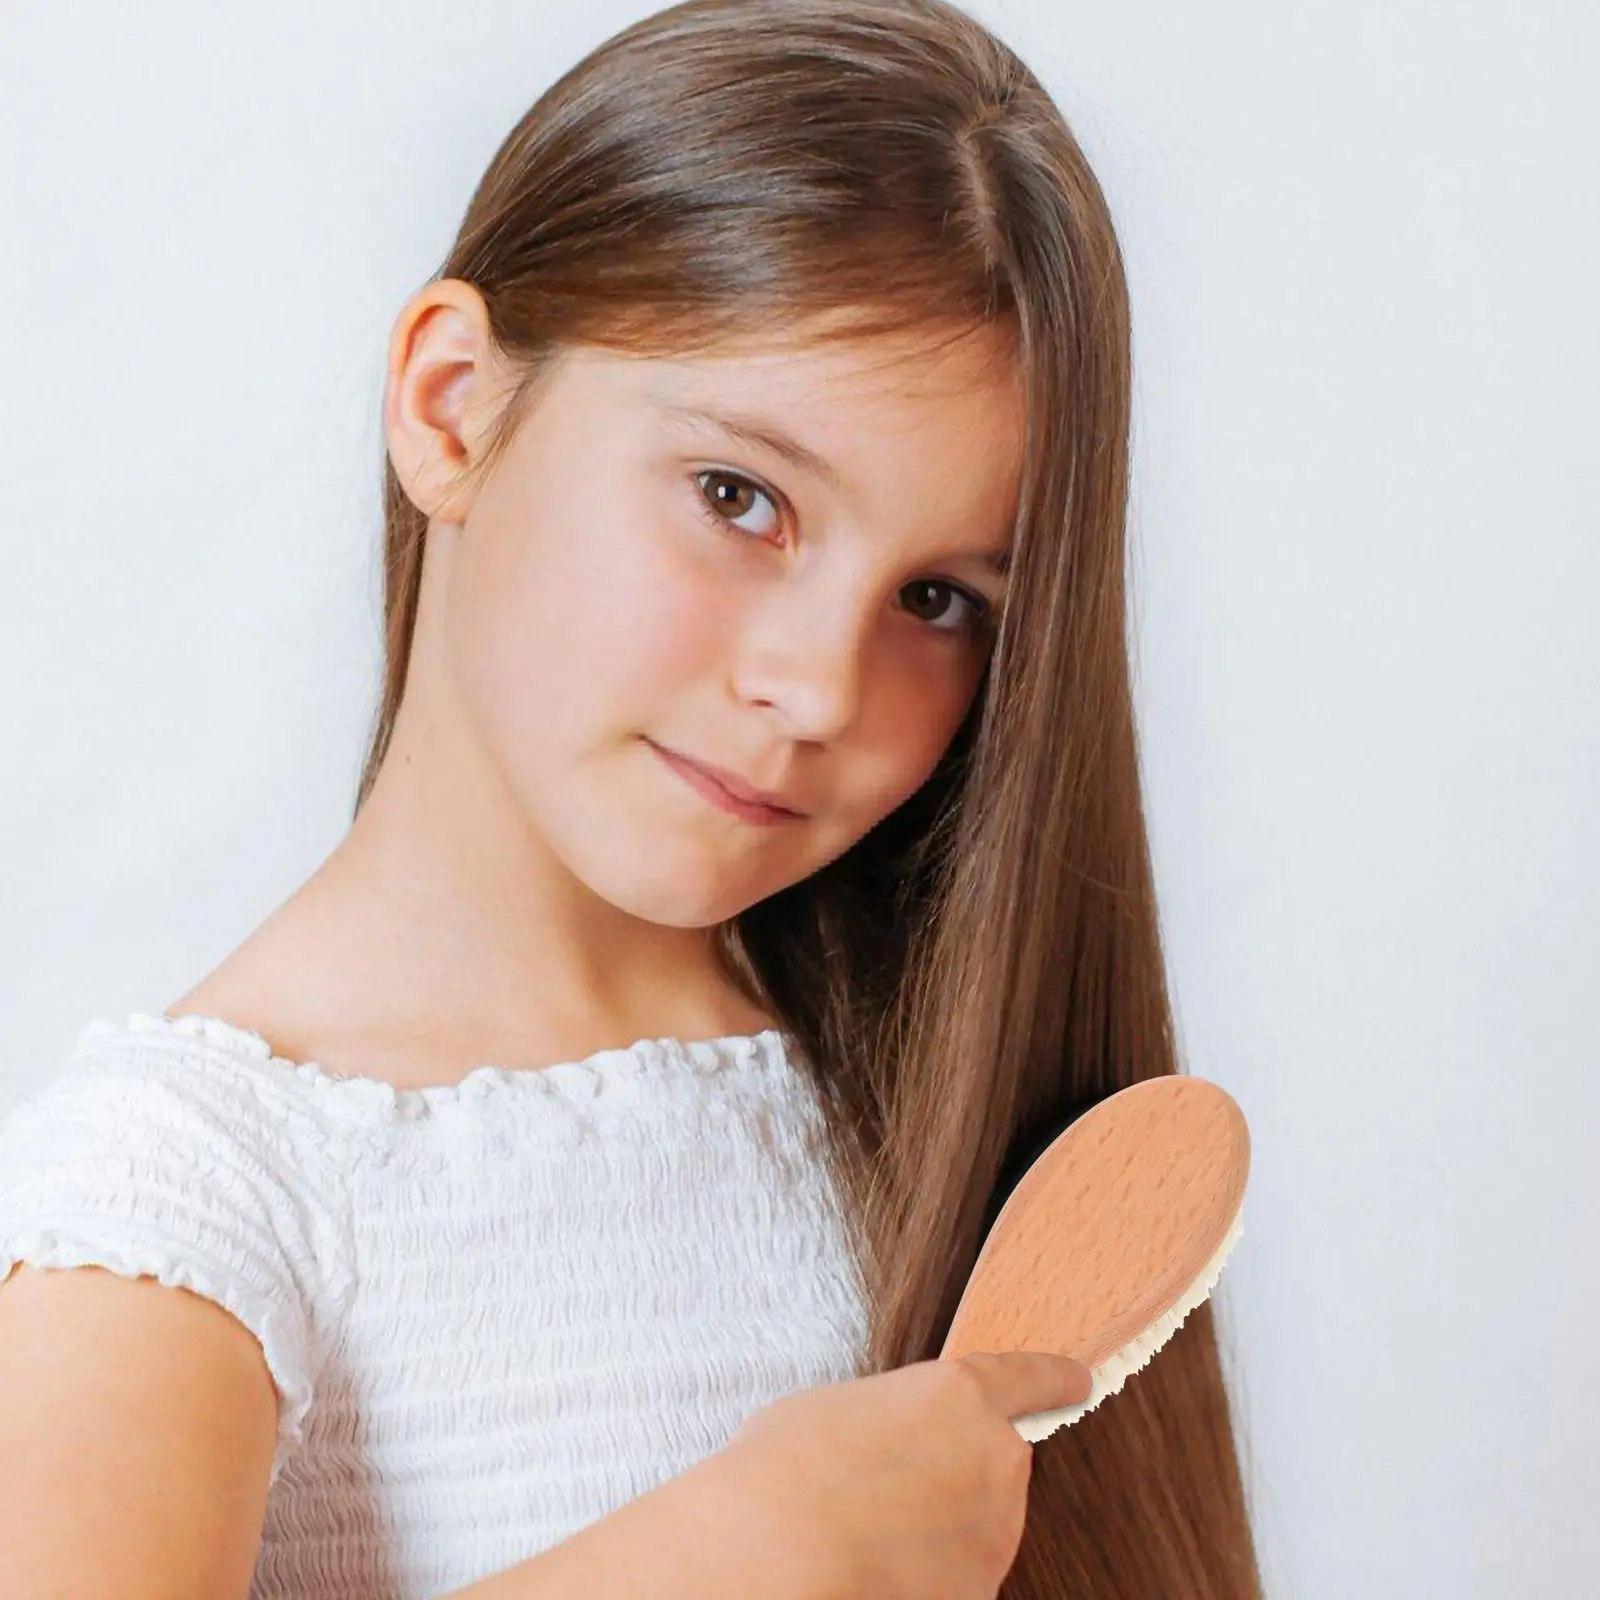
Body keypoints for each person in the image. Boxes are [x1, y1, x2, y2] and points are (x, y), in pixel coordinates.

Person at [0, 0, 1261, 1596]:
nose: (817, 689)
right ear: (451, 403)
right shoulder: (193, 1190)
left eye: (942, 602)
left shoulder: (928, 1098)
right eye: (742, 499)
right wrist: (714, 1564)